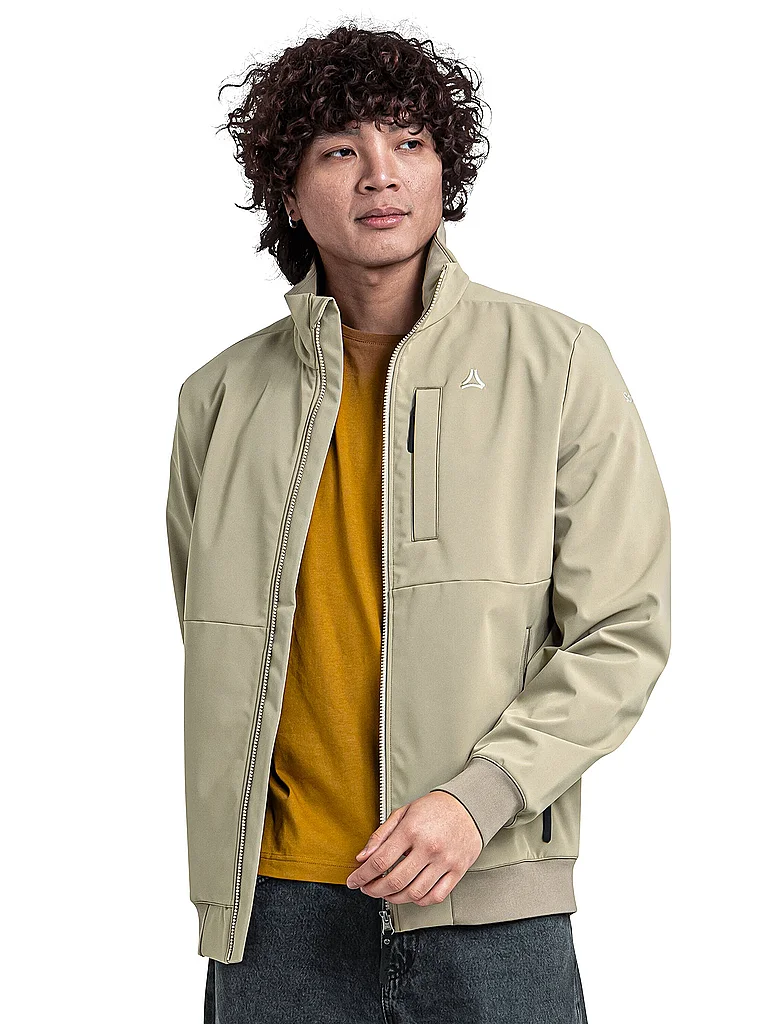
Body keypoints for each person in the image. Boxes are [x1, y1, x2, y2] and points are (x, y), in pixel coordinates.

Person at [165, 21, 671, 1024]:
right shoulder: (218, 400)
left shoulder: (559, 364)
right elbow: (217, 630)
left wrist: (478, 800)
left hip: (492, 902)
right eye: (339, 149)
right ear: (289, 189)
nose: (380, 174)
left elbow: (624, 630)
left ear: (446, 169)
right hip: (277, 913)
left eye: (409, 141)